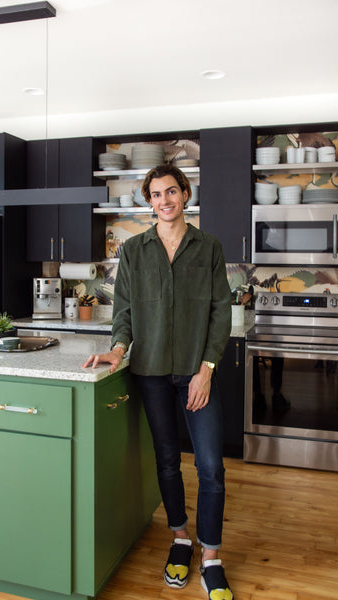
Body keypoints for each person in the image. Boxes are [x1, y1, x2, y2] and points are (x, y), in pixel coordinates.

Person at [82, 164, 233, 600]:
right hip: (149, 372)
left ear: (185, 194)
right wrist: (116, 348)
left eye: (171, 192)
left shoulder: (209, 247)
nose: (164, 201)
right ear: (149, 201)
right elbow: (124, 311)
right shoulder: (133, 250)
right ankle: (181, 538)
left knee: (211, 468)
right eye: (155, 195)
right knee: (166, 461)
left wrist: (206, 368)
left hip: (195, 372)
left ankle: (211, 558)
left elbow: (220, 311)